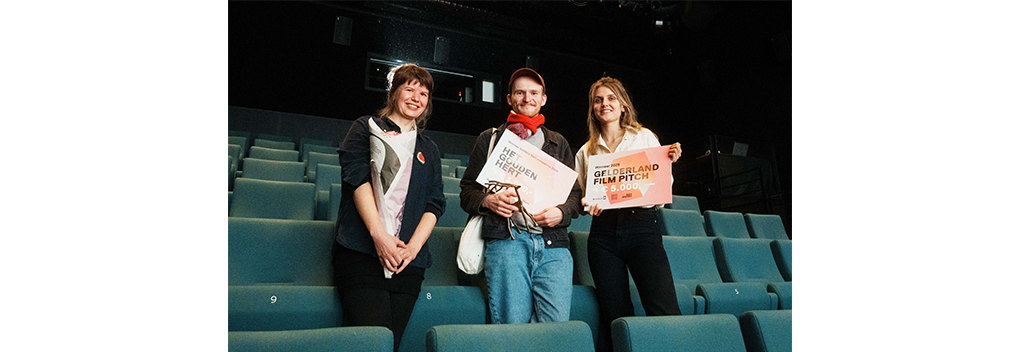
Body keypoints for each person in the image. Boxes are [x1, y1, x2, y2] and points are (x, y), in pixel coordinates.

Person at [332, 63, 445, 350]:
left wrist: (413, 248)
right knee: (374, 342)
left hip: (408, 261)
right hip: (362, 251)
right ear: (394, 92)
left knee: (391, 343)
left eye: (423, 93)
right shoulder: (365, 127)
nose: (416, 97)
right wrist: (379, 237)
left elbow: (435, 202)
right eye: (409, 89)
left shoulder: (429, 148)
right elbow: (356, 180)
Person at [459, 68, 583, 324]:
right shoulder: (490, 139)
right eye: (520, 92)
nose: (527, 98)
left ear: (543, 99)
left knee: (556, 329)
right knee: (511, 325)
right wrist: (487, 201)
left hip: (553, 247)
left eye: (534, 93)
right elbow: (467, 191)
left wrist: (561, 213)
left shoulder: (558, 142)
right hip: (507, 243)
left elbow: (574, 196)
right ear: (509, 98)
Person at [574, 76, 683, 351]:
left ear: (623, 105)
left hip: (642, 228)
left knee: (663, 308)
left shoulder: (645, 137)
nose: (604, 104)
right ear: (592, 108)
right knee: (616, 316)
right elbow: (581, 196)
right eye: (598, 100)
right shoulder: (585, 152)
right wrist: (589, 202)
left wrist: (667, 162)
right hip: (602, 236)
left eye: (611, 98)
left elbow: (661, 190)